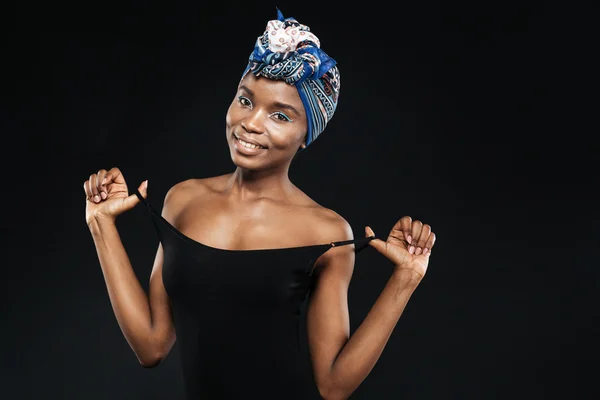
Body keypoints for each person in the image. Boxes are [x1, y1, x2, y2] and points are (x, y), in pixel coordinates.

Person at [83, 9, 436, 400]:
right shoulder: (182, 200)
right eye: (246, 100)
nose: (252, 123)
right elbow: (151, 346)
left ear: (306, 135)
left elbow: (334, 385)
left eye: (280, 115)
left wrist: (406, 278)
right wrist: (101, 225)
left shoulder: (327, 232)